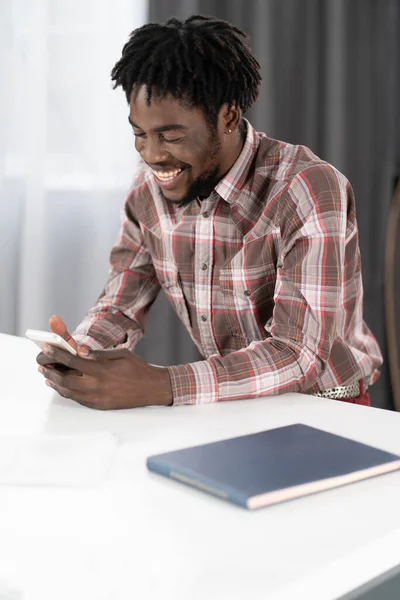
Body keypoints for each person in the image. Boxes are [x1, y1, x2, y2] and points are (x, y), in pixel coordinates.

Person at [37, 14, 383, 409]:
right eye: (139, 134)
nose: (152, 155)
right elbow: (121, 304)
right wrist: (80, 352)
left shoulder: (307, 188)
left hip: (327, 405)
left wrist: (162, 384)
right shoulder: (148, 192)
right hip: (228, 405)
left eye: (171, 136)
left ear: (229, 117)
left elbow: (299, 353)